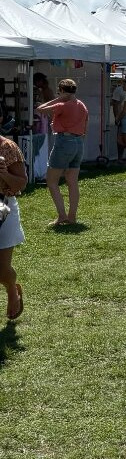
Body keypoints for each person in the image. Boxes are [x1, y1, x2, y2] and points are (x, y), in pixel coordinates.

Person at [36, 78, 88, 227]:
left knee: (51, 181)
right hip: (79, 143)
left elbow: (40, 109)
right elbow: (86, 124)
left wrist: (59, 98)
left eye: (59, 91)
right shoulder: (82, 105)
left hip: (64, 142)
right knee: (72, 182)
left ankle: (62, 216)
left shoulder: (62, 104)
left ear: (62, 91)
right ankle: (72, 217)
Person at [0, 132, 27, 321]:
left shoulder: (7, 148)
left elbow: (21, 184)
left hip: (3, 204)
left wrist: (3, 174)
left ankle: (11, 288)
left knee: (1, 267)